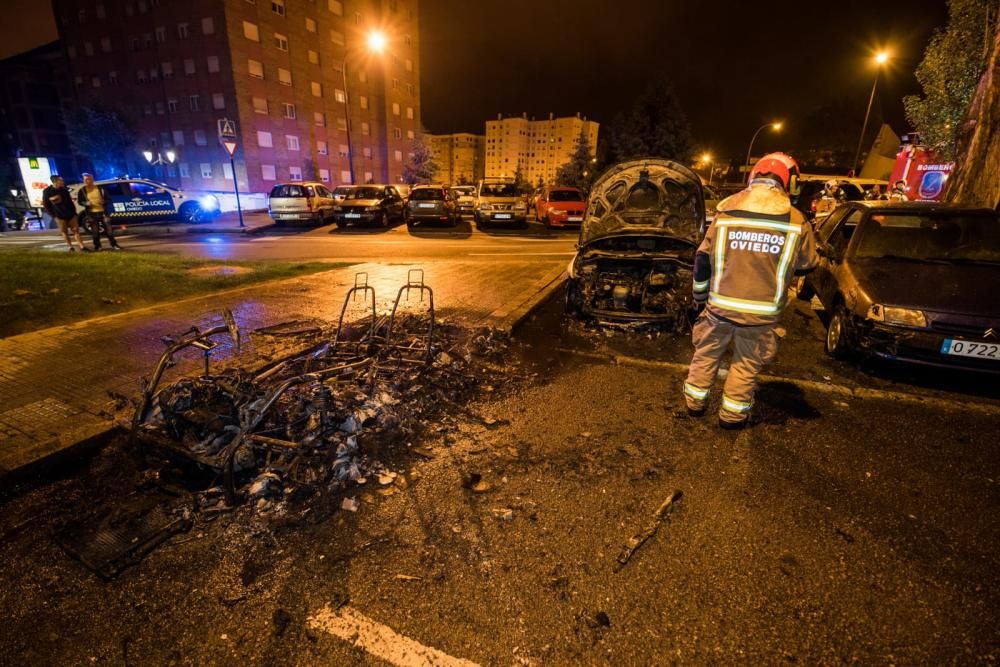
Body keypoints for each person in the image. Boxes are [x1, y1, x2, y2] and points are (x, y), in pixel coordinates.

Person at [683, 152, 820, 429]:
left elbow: (702, 260)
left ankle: (695, 405)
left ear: (753, 177)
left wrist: (699, 297)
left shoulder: (726, 213)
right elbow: (807, 264)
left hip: (719, 308)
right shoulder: (796, 221)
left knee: (706, 354)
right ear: (788, 182)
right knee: (745, 364)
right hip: (761, 313)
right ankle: (731, 418)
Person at [42, 175, 87, 251]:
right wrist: (53, 215)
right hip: (59, 215)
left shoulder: (64, 190)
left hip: (70, 214)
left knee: (76, 230)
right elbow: (46, 204)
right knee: (64, 232)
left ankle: (82, 246)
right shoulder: (47, 191)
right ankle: (70, 247)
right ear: (55, 181)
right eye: (61, 180)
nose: (62, 182)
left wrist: (74, 212)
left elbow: (70, 202)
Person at [76, 173, 121, 250]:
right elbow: (80, 201)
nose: (87, 181)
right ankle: (97, 246)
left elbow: (108, 199)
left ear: (92, 180)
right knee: (95, 231)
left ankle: (114, 244)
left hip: (103, 212)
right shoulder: (82, 190)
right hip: (91, 213)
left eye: (88, 179)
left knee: (109, 230)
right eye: (85, 180)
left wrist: (104, 202)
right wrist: (86, 203)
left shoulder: (100, 189)